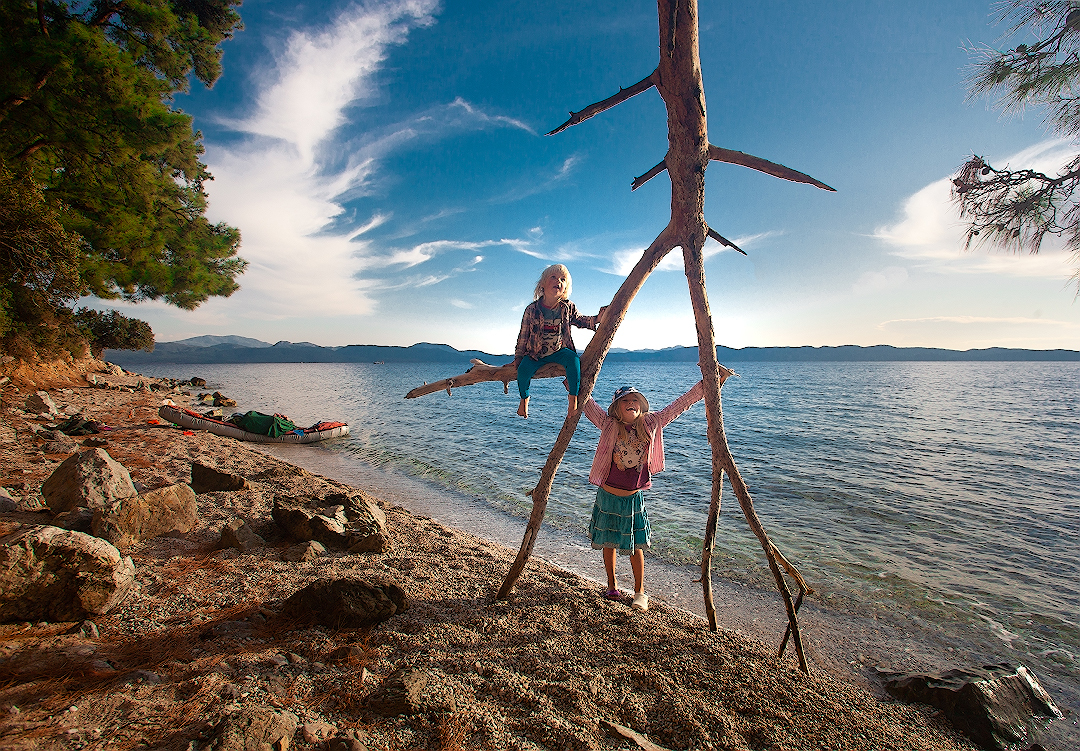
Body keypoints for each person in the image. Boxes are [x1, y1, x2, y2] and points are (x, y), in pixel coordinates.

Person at [583, 380, 704, 611]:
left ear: (641, 406)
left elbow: (680, 405)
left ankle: (640, 592)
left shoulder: (651, 423)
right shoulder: (608, 424)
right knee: (609, 543)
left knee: (636, 545)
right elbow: (587, 402)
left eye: (634, 400)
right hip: (607, 494)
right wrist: (570, 378)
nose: (630, 403)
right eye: (625, 401)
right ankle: (612, 586)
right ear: (617, 408)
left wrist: (707, 385)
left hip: (632, 498)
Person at [513, 264, 605, 418]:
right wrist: (518, 357)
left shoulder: (567, 307)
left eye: (563, 279)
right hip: (536, 353)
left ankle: (573, 399)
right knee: (522, 372)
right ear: (542, 284)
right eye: (553, 277)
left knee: (574, 362)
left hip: (559, 351)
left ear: (565, 288)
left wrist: (597, 319)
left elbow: (580, 320)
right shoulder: (532, 309)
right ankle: (524, 400)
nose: (558, 281)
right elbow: (523, 335)